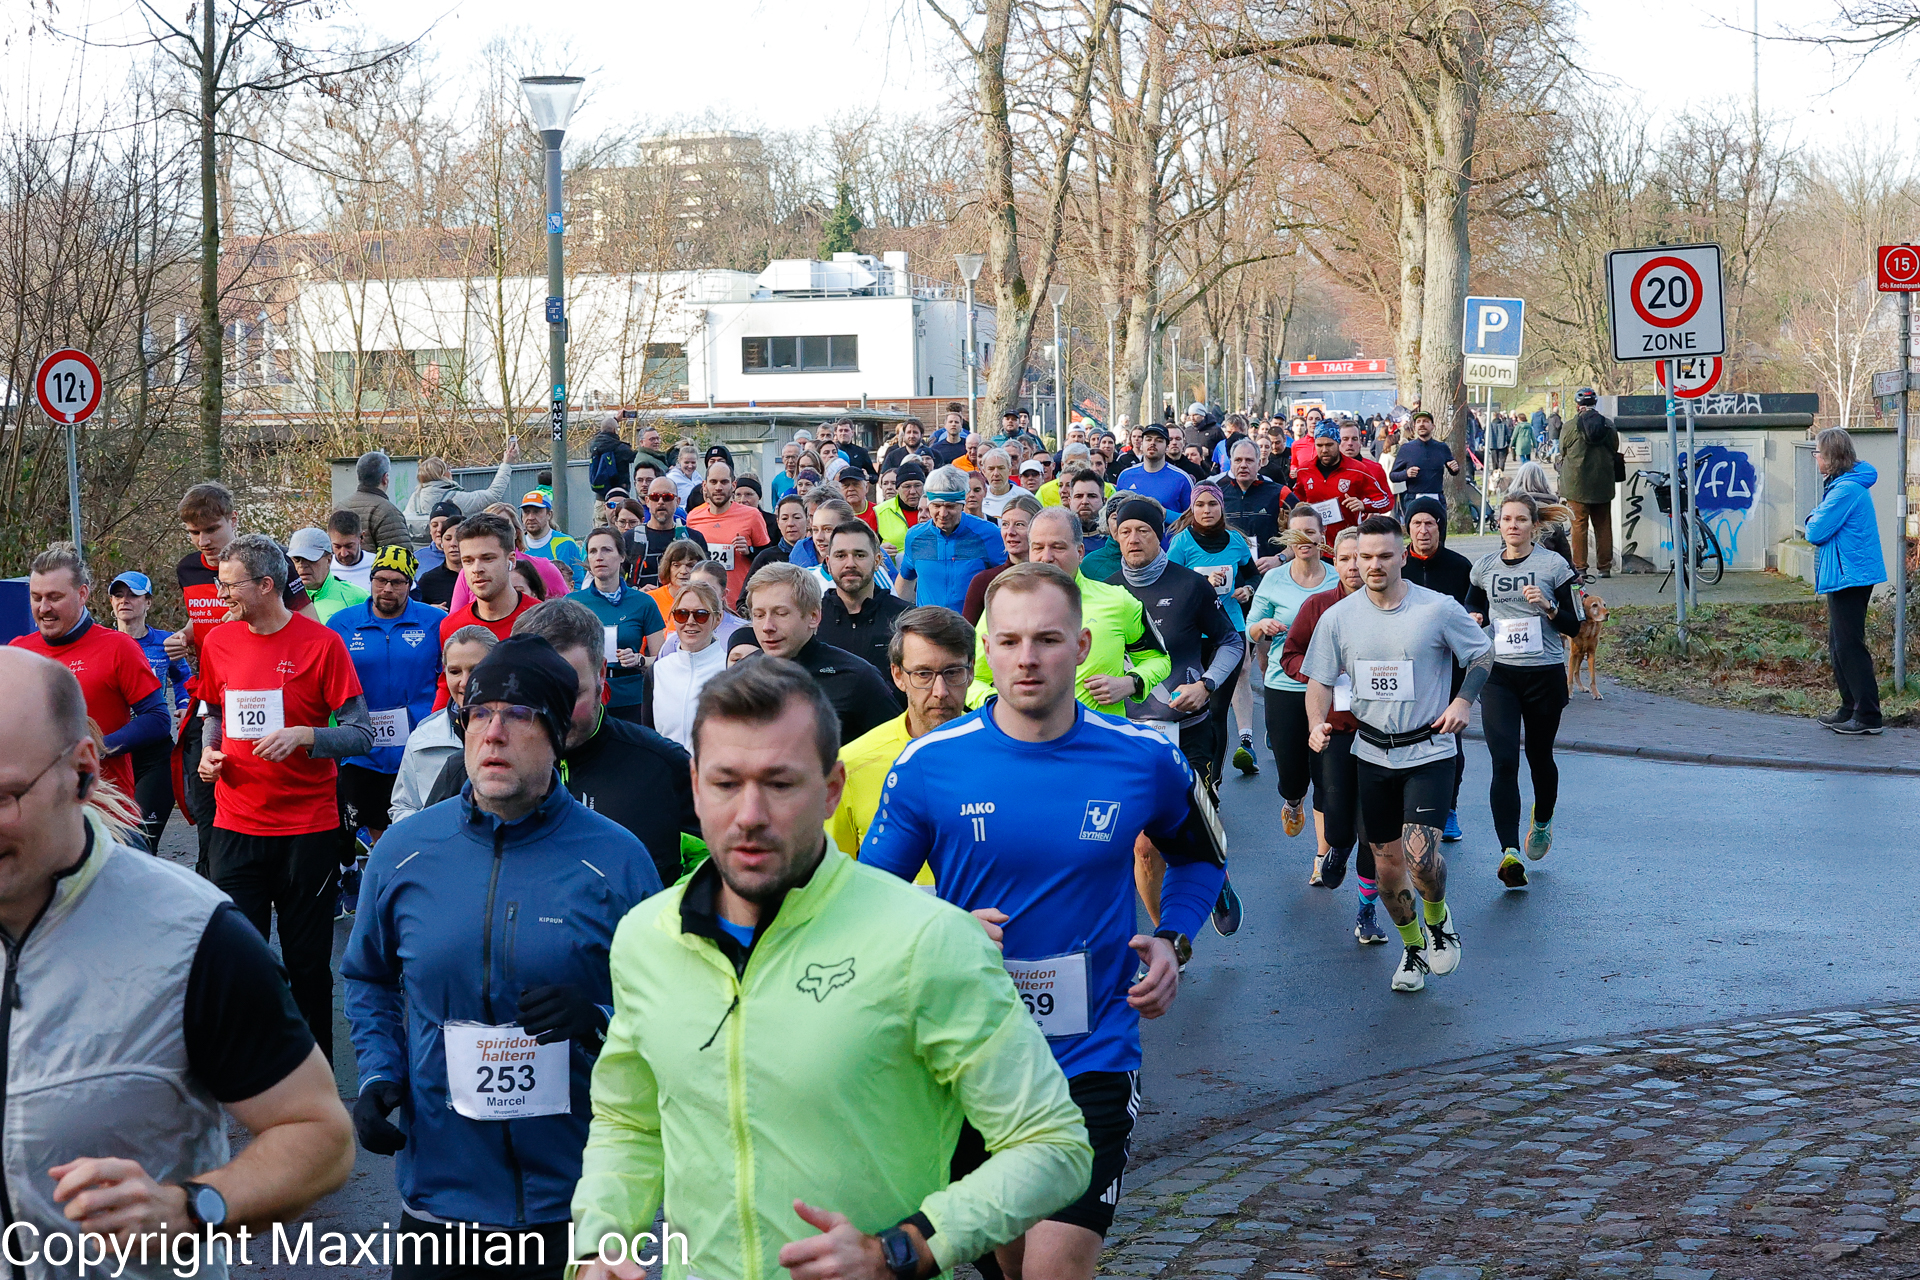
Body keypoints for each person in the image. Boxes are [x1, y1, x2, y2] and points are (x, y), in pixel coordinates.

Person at [570, 657, 1090, 1280]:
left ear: (833, 788)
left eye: (780, 784)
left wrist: (904, 1250)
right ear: (695, 785)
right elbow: (629, 1122)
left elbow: (1053, 1144)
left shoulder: (926, 939)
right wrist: (600, 1247)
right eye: (726, 783)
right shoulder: (646, 938)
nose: (750, 814)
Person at [864, 562, 1223, 1280]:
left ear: (1082, 645)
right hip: (972, 1058)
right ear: (986, 652)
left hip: (1093, 1056)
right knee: (1009, 1265)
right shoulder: (930, 764)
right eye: (1010, 641)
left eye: (1048, 639)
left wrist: (1173, 938)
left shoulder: (1143, 756)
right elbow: (867, 902)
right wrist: (943, 923)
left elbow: (1201, 859)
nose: (1027, 658)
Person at [0, 648, 355, 1270]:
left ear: (83, 771)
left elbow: (320, 1136)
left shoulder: (191, 934)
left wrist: (188, 1209)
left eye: (5, 796)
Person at [345, 636, 663, 1275]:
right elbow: (368, 977)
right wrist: (379, 1073)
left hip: (576, 1202)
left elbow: (669, 1005)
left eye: (519, 716)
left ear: (558, 736)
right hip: (440, 1200)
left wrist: (600, 1019)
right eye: (479, 714)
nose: (493, 733)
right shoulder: (405, 851)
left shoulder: (617, 859)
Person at [195, 533, 374, 1056]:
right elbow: (214, 712)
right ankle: (251, 1070)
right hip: (235, 825)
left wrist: (307, 736)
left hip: (306, 830)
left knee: (306, 964)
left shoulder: (322, 644)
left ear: (266, 585)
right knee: (240, 959)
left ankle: (315, 1076)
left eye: (230, 586)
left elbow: (361, 733)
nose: (221, 594)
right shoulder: (219, 642)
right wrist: (208, 753)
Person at [1302, 517, 1492, 992]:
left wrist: (1463, 701)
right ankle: (1413, 950)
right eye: (1364, 557)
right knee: (1387, 873)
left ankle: (1438, 920)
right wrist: (1316, 722)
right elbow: (1319, 680)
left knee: (1421, 859)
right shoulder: (1338, 617)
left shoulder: (1437, 609)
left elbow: (1482, 655)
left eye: (1384, 556)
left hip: (1428, 749)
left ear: (1402, 557)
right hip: (1371, 753)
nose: (1373, 565)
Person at [1107, 501, 1246, 936]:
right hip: (1130, 737)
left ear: (1160, 536)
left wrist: (1206, 684)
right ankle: (1166, 939)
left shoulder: (1190, 585)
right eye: (1125, 531)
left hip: (1188, 730)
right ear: (1115, 536)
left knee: (1192, 831)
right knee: (1145, 847)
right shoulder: (1105, 593)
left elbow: (1231, 642)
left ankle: (1214, 873)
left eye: (1143, 531)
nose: (1133, 539)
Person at [166, 482, 320, 871]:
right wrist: (186, 635)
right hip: (210, 694)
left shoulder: (268, 561)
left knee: (259, 795)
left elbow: (310, 627)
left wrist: (251, 632)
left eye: (211, 529)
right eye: (194, 532)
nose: (203, 541)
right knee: (206, 807)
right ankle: (215, 887)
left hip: (266, 691)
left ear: (232, 520)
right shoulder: (188, 568)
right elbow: (202, 617)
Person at [1467, 492, 1584, 888]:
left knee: (1539, 756)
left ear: (1534, 526)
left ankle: (1543, 820)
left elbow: (1574, 626)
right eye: (1506, 519)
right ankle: (1510, 851)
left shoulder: (1553, 565)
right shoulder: (1485, 567)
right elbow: (1471, 607)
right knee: (1504, 762)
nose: (1513, 525)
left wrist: (1549, 607)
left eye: (1520, 519)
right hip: (1499, 675)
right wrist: (1473, 616)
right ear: (1498, 525)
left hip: (1543, 675)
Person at [10, 544, 169, 823]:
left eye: (55, 597)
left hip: (106, 813)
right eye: (36, 597)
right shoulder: (17, 651)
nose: (44, 608)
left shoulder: (118, 647)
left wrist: (97, 749)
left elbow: (157, 718)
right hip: (40, 814)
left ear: (82, 594)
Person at [1280, 529, 1387, 943]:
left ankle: (1366, 912)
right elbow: (1290, 654)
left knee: (1373, 831)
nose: (1354, 566)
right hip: (1336, 732)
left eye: (1360, 557)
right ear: (1334, 563)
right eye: (1344, 559)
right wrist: (1320, 674)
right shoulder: (1319, 606)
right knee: (1339, 825)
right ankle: (1337, 848)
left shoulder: (1393, 606)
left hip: (1381, 733)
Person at [327, 544, 446, 905]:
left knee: (415, 831)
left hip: (420, 746)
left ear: (410, 584)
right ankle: (374, 890)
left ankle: (413, 898)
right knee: (371, 830)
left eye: (397, 582)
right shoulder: (343, 624)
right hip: (363, 746)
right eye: (380, 580)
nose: (387, 589)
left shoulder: (434, 622)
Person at [828, 606, 974, 886]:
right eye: (923, 674)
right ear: (898, 676)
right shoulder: (852, 764)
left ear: (971, 671)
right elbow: (831, 881)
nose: (940, 691)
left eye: (953, 672)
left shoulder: (1003, 755)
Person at [980, 509, 1172, 721]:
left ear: (1080, 552)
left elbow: (1158, 659)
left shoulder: (1118, 601)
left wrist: (1131, 682)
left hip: (1099, 736)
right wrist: (1001, 705)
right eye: (1038, 548)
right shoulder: (1003, 604)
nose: (1047, 558)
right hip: (1022, 736)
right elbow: (975, 678)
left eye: (1058, 547)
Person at [1246, 509, 1335, 871]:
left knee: (1327, 775)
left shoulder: (1336, 577)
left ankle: (1322, 857)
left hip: (1328, 686)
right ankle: (1293, 800)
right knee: (1293, 773)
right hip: (1284, 684)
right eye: (1295, 534)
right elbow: (1251, 627)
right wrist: (1263, 625)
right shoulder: (1275, 580)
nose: (1303, 540)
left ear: (1322, 536)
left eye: (1310, 533)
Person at [732, 563, 899, 742]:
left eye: (780, 613)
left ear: (813, 617)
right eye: (759, 615)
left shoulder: (856, 678)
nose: (767, 627)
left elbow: (896, 746)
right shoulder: (739, 677)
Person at [1167, 483, 1258, 778]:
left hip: (1229, 634)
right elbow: (1170, 585)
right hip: (1193, 635)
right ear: (1192, 509)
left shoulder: (1236, 541)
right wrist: (1201, 586)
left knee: (1218, 711)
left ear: (1221, 507)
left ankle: (1213, 780)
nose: (1206, 510)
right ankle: (1188, 771)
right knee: (1192, 709)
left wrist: (1247, 589)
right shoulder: (1182, 543)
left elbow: (1253, 575)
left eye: (1212, 504)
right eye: (1200, 505)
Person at [1400, 494, 1475, 843]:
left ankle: (1449, 809)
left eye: (1430, 523)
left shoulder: (1459, 567)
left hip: (1449, 666)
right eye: (1417, 523)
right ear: (1408, 528)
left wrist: (1475, 617)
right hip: (1406, 665)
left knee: (1448, 739)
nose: (1423, 530)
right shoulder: (1399, 565)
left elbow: (1475, 607)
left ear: (1440, 528)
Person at [1805, 425, 1888, 735]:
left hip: (1851, 575)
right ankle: (1849, 707)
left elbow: (1815, 531)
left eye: (1818, 453)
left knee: (1849, 645)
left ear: (1831, 457)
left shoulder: (1846, 490)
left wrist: (1812, 517)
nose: (1815, 458)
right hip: (1847, 572)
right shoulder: (1844, 485)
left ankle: (1868, 715)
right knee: (1839, 644)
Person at [109, 569, 194, 849]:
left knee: (143, 842)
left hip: (154, 752)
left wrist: (184, 705)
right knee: (112, 842)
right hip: (113, 751)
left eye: (133, 595)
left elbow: (183, 678)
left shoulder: (165, 642)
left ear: (148, 602)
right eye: (118, 595)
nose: (125, 600)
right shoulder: (101, 644)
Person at [389, 625, 496, 824]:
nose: (464, 682)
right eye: (455, 671)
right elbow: (404, 807)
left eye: (475, 670)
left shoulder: (519, 733)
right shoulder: (424, 736)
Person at [436, 512, 539, 707]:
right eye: (468, 560)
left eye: (487, 558)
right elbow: (446, 689)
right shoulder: (451, 626)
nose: (477, 569)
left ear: (511, 560)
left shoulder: (542, 620)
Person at [571, 527, 668, 725]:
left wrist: (639, 660)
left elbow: (662, 659)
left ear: (622, 556)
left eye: (606, 550)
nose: (599, 557)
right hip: (588, 697)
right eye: (593, 551)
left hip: (632, 698)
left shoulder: (643, 602)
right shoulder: (572, 602)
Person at [897, 465, 1008, 612]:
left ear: (962, 505)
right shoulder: (915, 536)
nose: (943, 513)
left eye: (950, 506)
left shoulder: (989, 534)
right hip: (928, 624)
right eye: (936, 506)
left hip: (970, 624)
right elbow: (905, 578)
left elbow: (1008, 580)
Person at [817, 520, 912, 680]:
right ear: (828, 563)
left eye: (859, 555)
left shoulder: (905, 619)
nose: (850, 564)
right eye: (840, 556)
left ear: (877, 561)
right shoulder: (811, 619)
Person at [649, 576, 731, 754]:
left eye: (701, 615)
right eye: (682, 614)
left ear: (717, 619)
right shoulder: (658, 670)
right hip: (668, 769)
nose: (690, 621)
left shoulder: (732, 671)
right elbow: (648, 735)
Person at [1291, 423, 1394, 545]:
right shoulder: (1304, 470)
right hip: (1314, 543)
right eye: (1319, 445)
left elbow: (1385, 500)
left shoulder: (1358, 469)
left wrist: (1364, 504)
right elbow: (1297, 500)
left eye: (1329, 445)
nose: (1324, 450)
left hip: (1347, 543)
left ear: (1338, 443)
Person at [687, 460, 771, 606]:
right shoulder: (693, 517)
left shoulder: (752, 515)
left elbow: (768, 558)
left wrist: (749, 551)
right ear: (705, 485)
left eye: (724, 482)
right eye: (713, 482)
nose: (718, 487)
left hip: (739, 603)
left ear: (733, 485)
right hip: (703, 603)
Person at [1558, 388, 1620, 578]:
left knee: (1578, 526)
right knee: (1603, 525)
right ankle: (1604, 567)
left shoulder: (1570, 426)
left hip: (1576, 485)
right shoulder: (1608, 425)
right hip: (1602, 483)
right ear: (1595, 403)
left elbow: (1562, 450)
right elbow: (1615, 448)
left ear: (1578, 405)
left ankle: (1580, 567)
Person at [404, 439, 519, 537]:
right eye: (448, 468)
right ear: (442, 474)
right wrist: (507, 463)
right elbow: (493, 494)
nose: (450, 471)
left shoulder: (415, 498)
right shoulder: (454, 498)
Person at [963, 492, 1043, 624]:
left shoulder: (1049, 578)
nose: (1010, 532)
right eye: (1005, 524)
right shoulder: (983, 581)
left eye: (1019, 524)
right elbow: (967, 632)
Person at [628, 476, 708, 586]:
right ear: (647, 501)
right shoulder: (630, 538)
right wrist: (637, 592)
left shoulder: (695, 538)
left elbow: (705, 579)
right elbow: (618, 578)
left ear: (678, 501)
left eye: (667, 497)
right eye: (655, 497)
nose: (660, 502)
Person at [289, 526, 370, 621]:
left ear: (329, 560)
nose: (302, 565)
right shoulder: (280, 601)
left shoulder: (358, 598)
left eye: (310, 559)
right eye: (296, 559)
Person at [341, 449, 418, 550]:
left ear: (358, 476)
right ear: (385, 478)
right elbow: (400, 555)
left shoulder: (340, 507)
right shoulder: (388, 512)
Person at [1115, 423, 1193, 515]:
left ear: (1167, 447)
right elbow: (1116, 514)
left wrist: (1165, 514)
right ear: (1142, 444)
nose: (1152, 443)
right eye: (1148, 439)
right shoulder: (1125, 476)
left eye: (1159, 440)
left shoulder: (1182, 479)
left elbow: (1191, 517)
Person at [1388, 411, 1460, 503]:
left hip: (1437, 498)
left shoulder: (1442, 447)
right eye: (1418, 422)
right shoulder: (1407, 448)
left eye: (1426, 421)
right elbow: (1393, 476)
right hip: (1413, 498)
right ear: (1414, 427)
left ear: (1433, 426)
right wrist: (1406, 474)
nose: (1421, 424)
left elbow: (1453, 470)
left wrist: (1455, 468)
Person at [519, 489, 585, 586]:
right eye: (526, 512)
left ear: (549, 514)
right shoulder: (516, 545)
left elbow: (578, 584)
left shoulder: (566, 543)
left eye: (537, 512)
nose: (531, 517)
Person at [413, 501, 467, 607]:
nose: (453, 544)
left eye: (458, 538)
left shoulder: (477, 573)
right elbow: (412, 606)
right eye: (448, 538)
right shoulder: (427, 576)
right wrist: (430, 610)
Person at [646, 539, 707, 632]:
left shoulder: (707, 600)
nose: (683, 571)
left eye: (690, 565)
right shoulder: (650, 600)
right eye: (676, 565)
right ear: (667, 567)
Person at [749, 491, 808, 578]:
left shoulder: (818, 555)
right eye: (784, 518)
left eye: (797, 517)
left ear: (808, 520)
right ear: (778, 522)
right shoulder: (766, 558)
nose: (790, 523)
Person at [327, 509, 377, 592]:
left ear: (361, 538)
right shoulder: (324, 569)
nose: (343, 554)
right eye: (337, 547)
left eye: (349, 546)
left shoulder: (377, 564)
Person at [589, 413, 638, 499]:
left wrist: (615, 419)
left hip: (601, 495)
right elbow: (637, 456)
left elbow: (602, 432)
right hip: (619, 494)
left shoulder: (594, 445)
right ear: (615, 430)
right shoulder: (621, 448)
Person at [838, 463, 881, 533]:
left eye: (855, 484)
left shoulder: (878, 512)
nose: (851, 489)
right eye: (846, 485)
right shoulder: (837, 515)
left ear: (866, 487)